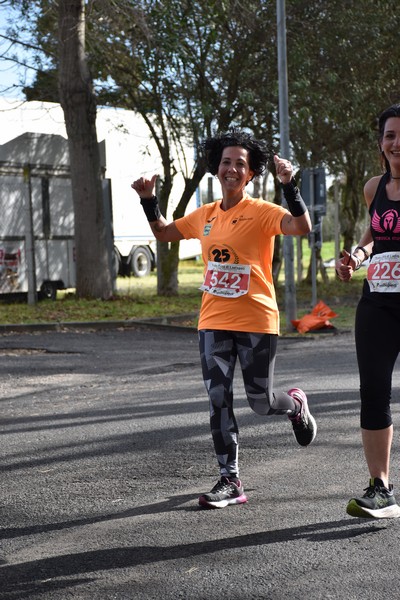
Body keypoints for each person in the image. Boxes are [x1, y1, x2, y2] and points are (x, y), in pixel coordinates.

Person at [131, 130, 317, 509]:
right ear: (216, 167)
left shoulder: (263, 212)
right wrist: (149, 200)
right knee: (218, 398)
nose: (232, 169)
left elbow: (301, 227)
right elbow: (165, 232)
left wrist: (290, 186)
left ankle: (295, 405)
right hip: (213, 319)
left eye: (241, 164)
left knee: (260, 403)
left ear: (250, 174)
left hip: (257, 320)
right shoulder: (205, 215)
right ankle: (229, 479)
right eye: (226, 161)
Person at [336, 104, 400, 519]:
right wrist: (356, 256)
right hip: (378, 301)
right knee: (373, 392)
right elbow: (375, 234)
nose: (398, 143)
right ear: (381, 144)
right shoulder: (372, 186)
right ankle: (381, 489)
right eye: (391, 135)